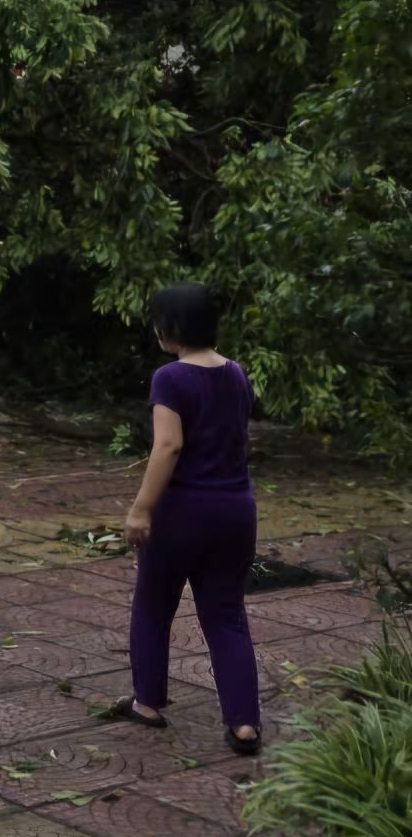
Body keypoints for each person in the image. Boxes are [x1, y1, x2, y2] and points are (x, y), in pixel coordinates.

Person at [113, 283, 262, 756]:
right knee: (226, 617)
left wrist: (140, 510)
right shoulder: (236, 374)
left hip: (183, 512)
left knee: (154, 606)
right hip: (236, 510)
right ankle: (244, 724)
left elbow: (169, 446)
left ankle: (148, 702)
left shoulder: (170, 378)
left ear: (171, 329)